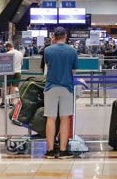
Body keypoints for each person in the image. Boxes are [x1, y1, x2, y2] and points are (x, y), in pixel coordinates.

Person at [43, 27, 78, 159]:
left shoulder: (48, 50)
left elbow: (47, 65)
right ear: (66, 35)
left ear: (54, 36)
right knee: (64, 119)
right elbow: (74, 71)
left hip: (51, 87)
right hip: (67, 87)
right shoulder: (72, 51)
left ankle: (50, 150)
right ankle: (63, 150)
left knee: (51, 118)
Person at [0, 41, 23, 108]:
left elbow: (4, 64)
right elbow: (21, 63)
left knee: (6, 87)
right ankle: (11, 103)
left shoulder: (7, 53)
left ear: (8, 47)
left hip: (9, 72)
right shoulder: (20, 53)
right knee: (14, 87)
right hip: (18, 72)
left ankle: (3, 102)